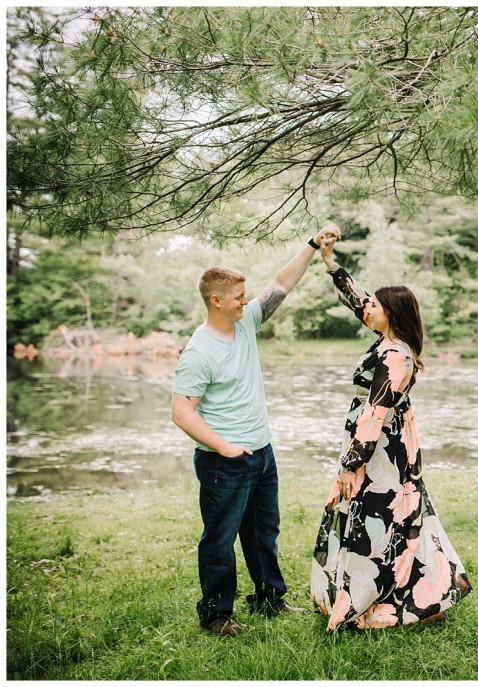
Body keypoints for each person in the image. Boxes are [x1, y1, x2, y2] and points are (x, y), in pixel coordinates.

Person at [172, 226, 339, 637]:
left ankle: (269, 599)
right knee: (220, 539)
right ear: (216, 300)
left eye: (245, 295)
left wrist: (313, 246)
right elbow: (181, 412)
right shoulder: (199, 351)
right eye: (237, 297)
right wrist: (226, 448)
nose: (245, 302)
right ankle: (215, 614)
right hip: (223, 460)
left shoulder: (244, 322)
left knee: (264, 533)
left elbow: (281, 284)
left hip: (261, 453)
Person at [310, 225, 472, 631]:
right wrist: (329, 261)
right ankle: (400, 589)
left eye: (377, 306)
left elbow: (376, 411)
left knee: (379, 515)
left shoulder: (396, 355)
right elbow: (357, 299)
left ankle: (372, 597)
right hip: (381, 441)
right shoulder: (387, 338)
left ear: (392, 313)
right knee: (393, 512)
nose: (369, 309)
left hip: (382, 447)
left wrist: (352, 463)